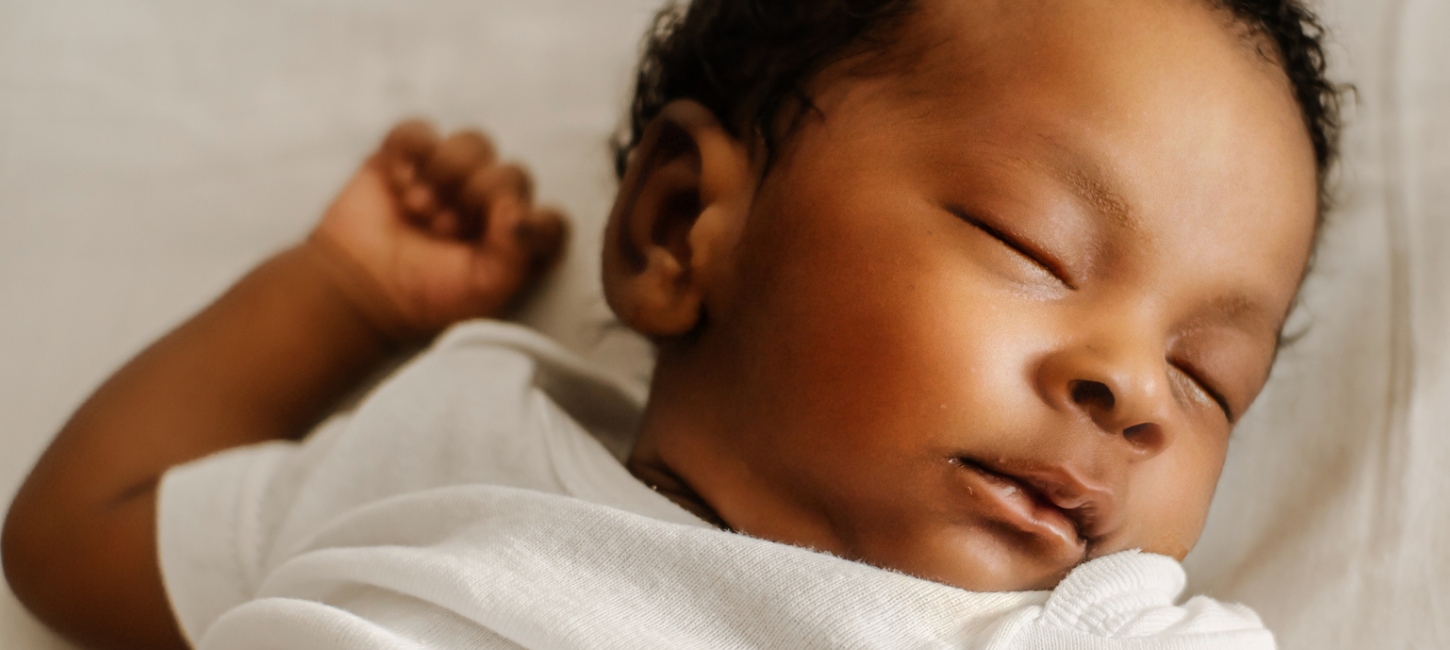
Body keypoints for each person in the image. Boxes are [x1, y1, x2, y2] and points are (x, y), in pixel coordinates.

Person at [3, 0, 1344, 647]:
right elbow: (74, 534)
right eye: (1032, 245)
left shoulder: (1081, 638)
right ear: (676, 227)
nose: (1137, 390)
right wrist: (337, 298)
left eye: (1208, 373)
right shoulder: (453, 440)